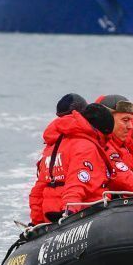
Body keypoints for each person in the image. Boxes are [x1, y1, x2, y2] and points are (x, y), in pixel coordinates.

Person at [27, 92, 86, 225]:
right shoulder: (82, 143)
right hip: (73, 216)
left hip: (49, 216)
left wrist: (36, 222)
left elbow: (38, 190)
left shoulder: (49, 147)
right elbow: (76, 183)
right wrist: (70, 213)